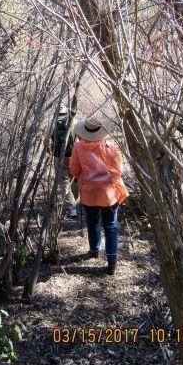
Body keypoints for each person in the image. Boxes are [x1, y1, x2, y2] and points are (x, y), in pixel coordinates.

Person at [69, 116, 129, 275]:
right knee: (111, 225)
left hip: (89, 192)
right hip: (109, 194)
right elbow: (119, 169)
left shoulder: (78, 147)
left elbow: (74, 171)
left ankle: (94, 250)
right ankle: (112, 262)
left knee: (92, 220)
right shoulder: (110, 146)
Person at [45, 106, 79, 219]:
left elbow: (46, 141)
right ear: (66, 112)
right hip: (74, 156)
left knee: (63, 182)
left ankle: (71, 208)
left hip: (59, 157)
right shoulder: (74, 121)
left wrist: (50, 153)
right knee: (75, 179)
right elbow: (81, 138)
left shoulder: (52, 123)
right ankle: (75, 203)